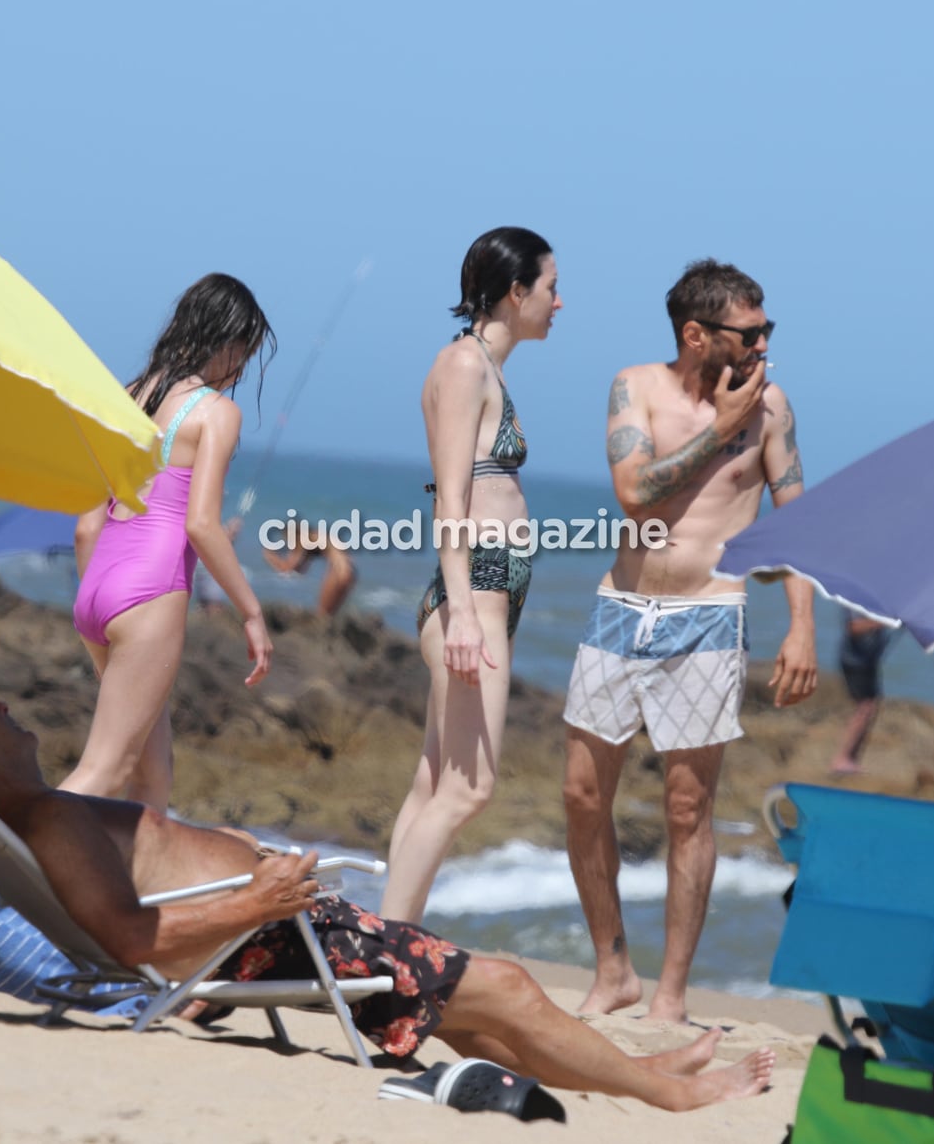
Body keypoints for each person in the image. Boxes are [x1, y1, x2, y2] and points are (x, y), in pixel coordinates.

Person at [0, 694, 775, 1112]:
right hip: (262, 935)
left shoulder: (42, 816)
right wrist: (261, 895)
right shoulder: (53, 818)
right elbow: (131, 935)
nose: (11, 710)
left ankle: (645, 1074)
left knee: (471, 1018)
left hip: (271, 925)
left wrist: (261, 896)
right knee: (503, 984)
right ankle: (671, 1098)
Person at [562, 259, 818, 1022]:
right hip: (623, 606)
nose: (764, 343)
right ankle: (614, 968)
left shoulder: (773, 408)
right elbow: (637, 491)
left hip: (711, 614)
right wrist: (722, 430)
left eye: (768, 328)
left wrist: (801, 625)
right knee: (581, 794)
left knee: (686, 809)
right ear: (696, 334)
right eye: (751, 331)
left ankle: (670, 993)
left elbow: (798, 519)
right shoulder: (634, 386)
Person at [380, 227, 562, 924]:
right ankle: (385, 948)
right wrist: (459, 610)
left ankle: (375, 941)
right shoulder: (463, 365)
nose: (559, 302)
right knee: (468, 789)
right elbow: (451, 497)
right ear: (517, 293)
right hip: (475, 589)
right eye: (551, 288)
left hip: (489, 590)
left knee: (434, 784)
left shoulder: (486, 366)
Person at [67, 274, 276, 812]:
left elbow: (86, 526)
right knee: (104, 770)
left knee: (153, 774)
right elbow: (201, 525)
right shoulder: (216, 413)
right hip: (150, 593)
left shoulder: (127, 397)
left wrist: (98, 601)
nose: (241, 370)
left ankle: (134, 894)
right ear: (226, 340)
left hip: (97, 593)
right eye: (244, 353)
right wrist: (251, 613)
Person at [830, 614, 891, 776]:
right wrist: (883, 621)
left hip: (868, 660)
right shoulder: (857, 600)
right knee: (864, 708)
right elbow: (853, 627)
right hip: (855, 661)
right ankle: (842, 758)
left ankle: (851, 758)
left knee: (871, 707)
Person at [263, 522, 357, 617]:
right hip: (350, 571)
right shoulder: (314, 537)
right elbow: (300, 570)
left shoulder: (303, 539)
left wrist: (270, 557)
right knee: (329, 615)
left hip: (338, 570)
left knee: (322, 616)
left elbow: (288, 569)